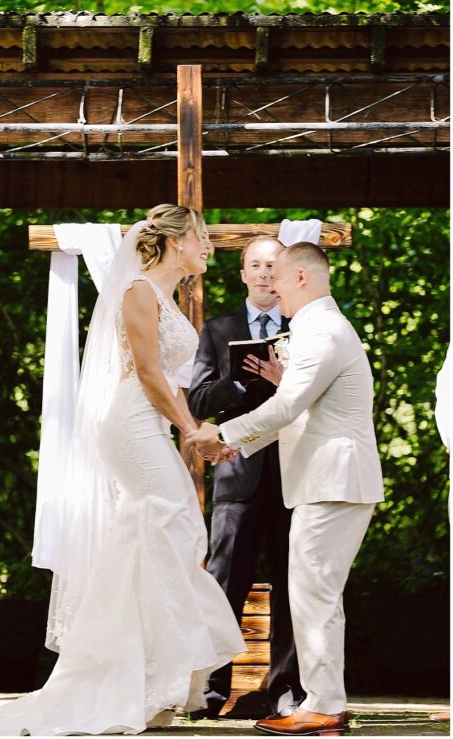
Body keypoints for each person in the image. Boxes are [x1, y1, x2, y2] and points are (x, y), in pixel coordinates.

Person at [0, 204, 244, 736]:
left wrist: (195, 433)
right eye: (202, 237)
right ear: (176, 241)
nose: (209, 246)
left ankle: (149, 680)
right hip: (132, 425)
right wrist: (190, 430)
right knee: (172, 526)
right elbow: (150, 374)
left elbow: (173, 383)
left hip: (151, 427)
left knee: (159, 539)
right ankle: (141, 680)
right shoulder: (137, 291)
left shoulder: (166, 297)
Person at [191, 242, 384, 737]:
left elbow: (288, 407)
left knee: (313, 594)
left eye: (276, 275)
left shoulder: (321, 331)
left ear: (301, 277)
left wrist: (224, 434)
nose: (270, 285)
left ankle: (323, 705)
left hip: (332, 480)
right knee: (315, 593)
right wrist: (239, 449)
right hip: (327, 480)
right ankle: (324, 702)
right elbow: (299, 410)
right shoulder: (318, 328)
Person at [187, 235, 304, 719]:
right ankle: (213, 690)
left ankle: (284, 690)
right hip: (236, 475)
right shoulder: (217, 329)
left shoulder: (305, 327)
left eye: (271, 265)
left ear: (284, 274)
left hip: (296, 473)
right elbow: (194, 402)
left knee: (292, 585)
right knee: (222, 584)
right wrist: (235, 381)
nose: (262, 273)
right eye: (254, 265)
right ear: (242, 274)